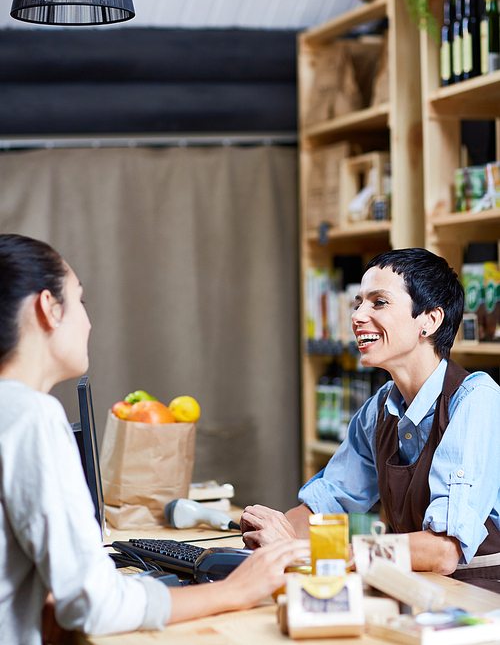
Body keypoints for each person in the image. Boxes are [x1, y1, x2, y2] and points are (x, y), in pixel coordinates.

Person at [0, 233, 309, 645]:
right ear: (48, 308)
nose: (88, 322)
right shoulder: (31, 415)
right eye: (81, 302)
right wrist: (233, 591)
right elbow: (94, 603)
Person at [241, 248, 500, 591]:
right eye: (358, 302)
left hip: (479, 606)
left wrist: (307, 552)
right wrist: (269, 539)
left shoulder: (476, 399)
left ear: (430, 320)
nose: (358, 315)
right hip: (418, 595)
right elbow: (326, 503)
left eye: (378, 302)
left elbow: (443, 551)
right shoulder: (379, 409)